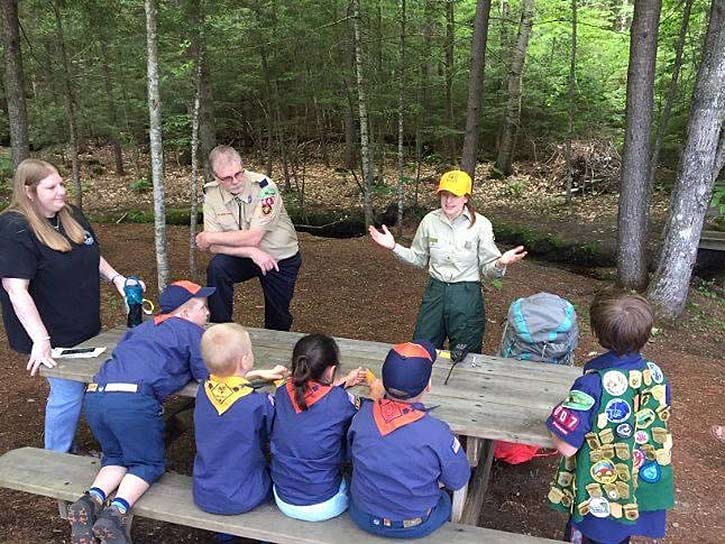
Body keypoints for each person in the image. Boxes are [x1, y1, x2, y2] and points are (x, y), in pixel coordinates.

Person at [0, 158, 137, 453]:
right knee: (67, 391)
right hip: (49, 328)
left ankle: (82, 446)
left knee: (86, 384)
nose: (62, 191)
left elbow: (90, 252)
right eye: (52, 187)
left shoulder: (70, 214)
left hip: (83, 321)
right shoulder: (14, 227)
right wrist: (41, 339)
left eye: (62, 183)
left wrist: (117, 279)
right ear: (29, 191)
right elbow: (15, 289)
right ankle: (57, 457)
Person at [65, 280, 214, 544]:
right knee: (147, 464)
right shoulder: (192, 332)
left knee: (115, 456)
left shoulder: (143, 328)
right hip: (133, 401)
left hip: (96, 395)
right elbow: (208, 377)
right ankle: (116, 513)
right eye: (203, 308)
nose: (208, 313)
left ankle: (90, 500)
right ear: (185, 313)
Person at [546, 292, 674, 544]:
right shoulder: (656, 375)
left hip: (600, 497)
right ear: (646, 334)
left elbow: (566, 446)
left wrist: (558, 414)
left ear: (597, 332)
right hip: (637, 487)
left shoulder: (592, 384)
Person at [368, 170, 526, 353]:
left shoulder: (481, 225)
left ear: (466, 197)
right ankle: (424, 381)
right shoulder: (429, 221)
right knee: (422, 349)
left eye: (454, 196)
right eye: (444, 195)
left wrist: (501, 263)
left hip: (466, 294)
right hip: (435, 292)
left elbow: (488, 271)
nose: (448, 201)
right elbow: (418, 259)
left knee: (465, 352)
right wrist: (394, 247)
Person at [347, 340, 471, 539]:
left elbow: (350, 455)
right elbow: (458, 480)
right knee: (445, 499)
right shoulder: (437, 432)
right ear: (428, 385)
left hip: (362, 515)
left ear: (383, 383)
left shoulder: (361, 417)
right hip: (413, 526)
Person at [195, 145, 301, 330]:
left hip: (279, 257)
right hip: (246, 255)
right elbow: (212, 247)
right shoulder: (211, 194)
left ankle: (276, 344)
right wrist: (251, 252)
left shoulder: (265, 187)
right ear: (215, 177)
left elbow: (253, 237)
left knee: (278, 316)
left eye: (239, 173)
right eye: (227, 178)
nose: (235, 181)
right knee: (217, 267)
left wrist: (211, 237)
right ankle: (221, 331)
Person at [193, 323, 288, 515]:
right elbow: (281, 424)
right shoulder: (258, 404)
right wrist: (283, 387)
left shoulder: (204, 389)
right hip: (245, 495)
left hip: (204, 492)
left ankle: (224, 536)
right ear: (245, 360)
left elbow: (225, 378)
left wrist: (255, 374)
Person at [270, 334, 366, 521]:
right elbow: (366, 411)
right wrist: (377, 392)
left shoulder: (282, 392)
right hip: (324, 503)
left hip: (283, 496)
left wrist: (343, 383)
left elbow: (312, 396)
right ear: (330, 372)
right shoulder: (339, 401)